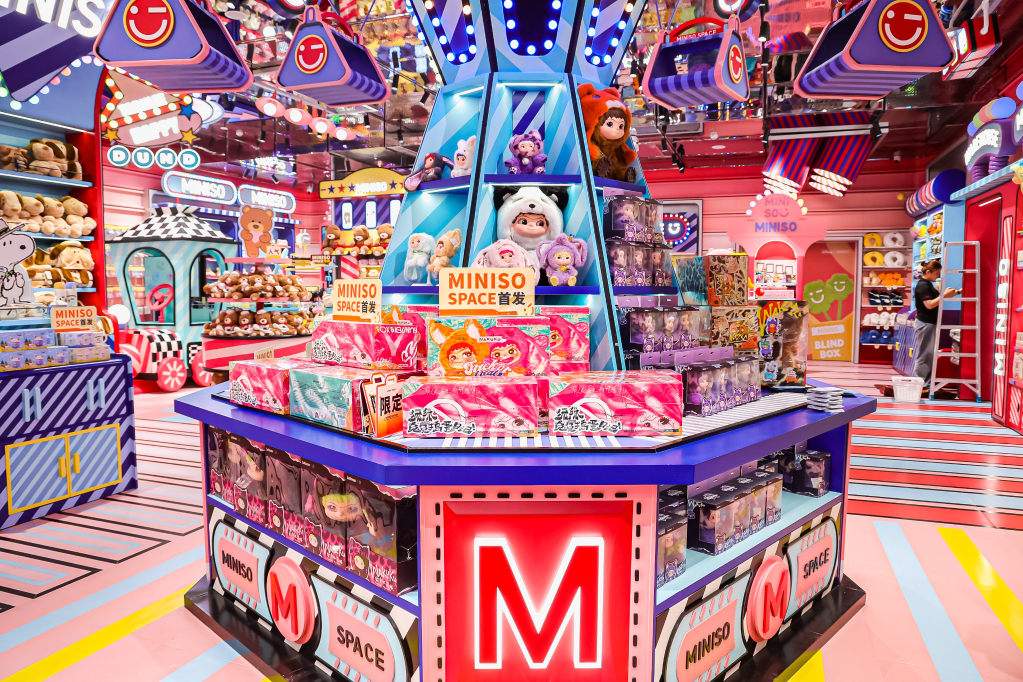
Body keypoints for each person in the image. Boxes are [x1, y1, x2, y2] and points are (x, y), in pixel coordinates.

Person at [914, 260, 959, 390]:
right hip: (925, 323)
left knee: (928, 354)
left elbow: (936, 301)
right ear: (928, 272)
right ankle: (923, 384)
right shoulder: (923, 286)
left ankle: (927, 384)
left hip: (929, 323)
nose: (938, 276)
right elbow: (929, 305)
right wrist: (944, 295)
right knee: (925, 355)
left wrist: (957, 292)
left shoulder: (927, 284)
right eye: (937, 273)